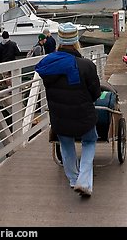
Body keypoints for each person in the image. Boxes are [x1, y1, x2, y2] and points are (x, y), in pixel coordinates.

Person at [35, 22, 101, 197]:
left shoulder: (48, 66)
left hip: (60, 117)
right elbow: (95, 93)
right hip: (83, 116)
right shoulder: (86, 65)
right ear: (76, 40)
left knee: (66, 144)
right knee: (89, 141)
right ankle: (84, 181)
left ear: (59, 40)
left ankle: (73, 179)